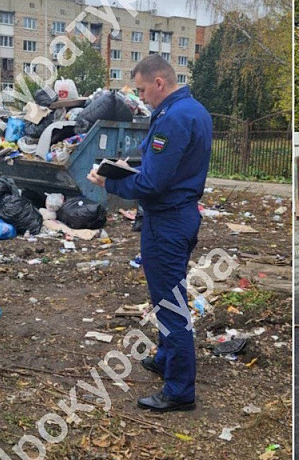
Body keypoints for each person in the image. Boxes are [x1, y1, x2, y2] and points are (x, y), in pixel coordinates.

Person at [87, 54, 212, 412]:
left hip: (167, 221)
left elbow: (153, 182)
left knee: (171, 305)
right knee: (167, 296)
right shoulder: (195, 110)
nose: (142, 98)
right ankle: (165, 358)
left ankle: (179, 390)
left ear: (160, 82)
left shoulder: (172, 118)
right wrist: (130, 166)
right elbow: (166, 164)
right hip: (181, 216)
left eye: (143, 90)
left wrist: (111, 181)